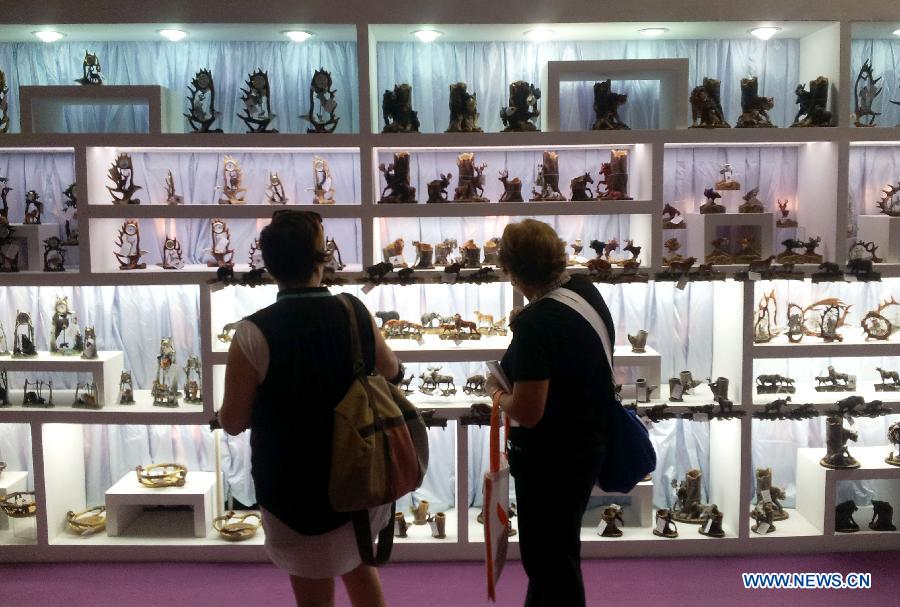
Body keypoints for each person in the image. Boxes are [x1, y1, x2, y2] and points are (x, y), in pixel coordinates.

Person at [219, 210, 402, 607]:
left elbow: (232, 421)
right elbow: (391, 371)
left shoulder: (251, 333)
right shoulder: (354, 311)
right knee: (359, 565)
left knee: (312, 588)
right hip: (359, 472)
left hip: (291, 486)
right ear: (322, 259)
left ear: (269, 266)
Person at [485, 219, 614, 607]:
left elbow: (528, 410)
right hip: (584, 445)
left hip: (550, 459)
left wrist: (496, 394)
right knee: (559, 554)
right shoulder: (583, 290)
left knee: (548, 563)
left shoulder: (537, 322)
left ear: (511, 271)